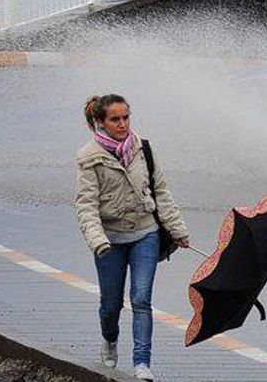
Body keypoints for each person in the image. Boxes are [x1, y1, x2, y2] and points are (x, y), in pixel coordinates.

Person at [75, 94, 190, 381]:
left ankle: (142, 363)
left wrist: (178, 230)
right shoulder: (89, 158)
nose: (123, 124)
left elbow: (161, 192)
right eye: (115, 119)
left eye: (126, 117)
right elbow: (86, 206)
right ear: (100, 122)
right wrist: (97, 240)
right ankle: (110, 340)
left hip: (145, 235)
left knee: (141, 299)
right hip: (109, 242)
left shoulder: (145, 149)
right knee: (111, 304)